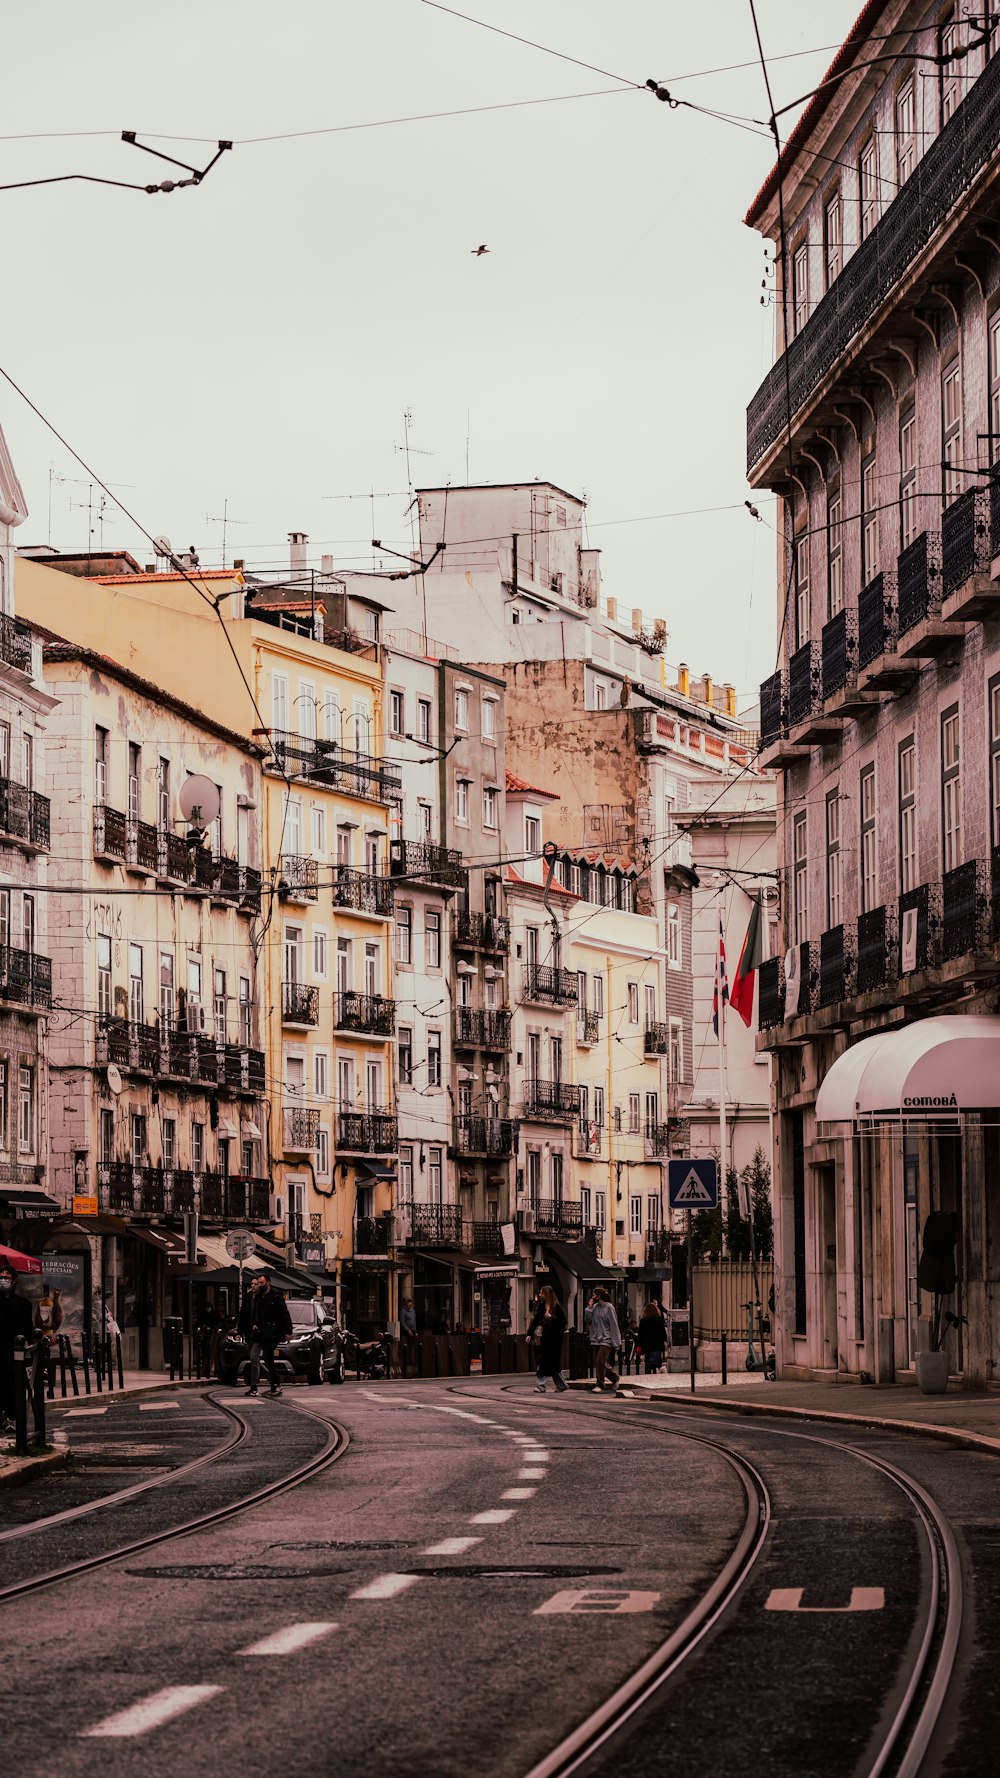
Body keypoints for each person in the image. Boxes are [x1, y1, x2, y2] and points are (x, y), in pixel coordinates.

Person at [240, 1273, 292, 1397]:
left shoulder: (275, 1296)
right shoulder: (257, 1297)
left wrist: (288, 1331)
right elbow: (254, 1313)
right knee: (254, 1356)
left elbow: (284, 1314)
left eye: (261, 1283)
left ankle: (276, 1383)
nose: (259, 1285)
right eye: (258, 1283)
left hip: (272, 1333)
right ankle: (259, 1385)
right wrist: (255, 1324)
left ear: (268, 1283)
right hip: (259, 1333)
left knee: (268, 1357)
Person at [0, 1261, 34, 1433]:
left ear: (14, 1281)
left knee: (13, 1385)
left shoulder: (23, 1304)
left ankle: (11, 1418)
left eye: (6, 1278)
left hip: (14, 1352)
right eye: (1, 1277)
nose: (3, 1280)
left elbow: (28, 1329)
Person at [525, 1284, 568, 1393]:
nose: (539, 1295)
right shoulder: (541, 1306)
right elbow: (535, 1320)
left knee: (549, 1362)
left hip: (555, 1340)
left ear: (547, 1294)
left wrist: (552, 1318)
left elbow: (563, 1323)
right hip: (544, 1339)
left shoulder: (557, 1307)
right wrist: (529, 1334)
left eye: (541, 1293)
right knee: (545, 1361)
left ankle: (543, 1386)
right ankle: (559, 1385)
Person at [585, 1286, 622, 1393]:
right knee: (599, 1362)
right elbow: (588, 1320)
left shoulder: (609, 1307)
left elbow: (613, 1324)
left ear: (599, 1296)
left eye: (594, 1295)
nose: (592, 1297)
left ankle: (600, 1384)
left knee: (600, 1361)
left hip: (606, 1338)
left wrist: (616, 1342)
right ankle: (615, 1378)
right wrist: (589, 1308)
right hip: (595, 1338)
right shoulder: (595, 1307)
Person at [636, 1300, 667, 1375]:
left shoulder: (643, 1321)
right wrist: (666, 1340)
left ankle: (648, 1371)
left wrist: (638, 1344)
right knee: (657, 1362)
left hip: (647, 1345)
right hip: (657, 1344)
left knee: (648, 1360)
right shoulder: (659, 1320)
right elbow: (663, 1332)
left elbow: (640, 1334)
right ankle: (655, 1371)